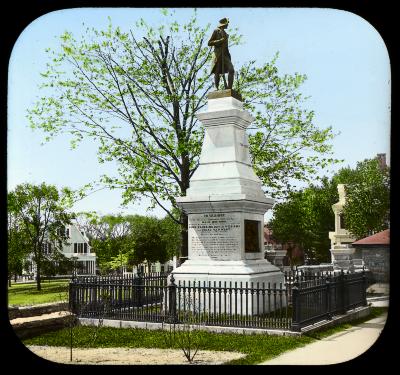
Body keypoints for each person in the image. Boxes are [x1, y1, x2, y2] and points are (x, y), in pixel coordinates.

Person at [208, 17, 235, 90]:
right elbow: (209, 42)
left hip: (225, 54)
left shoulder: (226, 34)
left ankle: (229, 88)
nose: (228, 25)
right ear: (224, 24)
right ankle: (216, 88)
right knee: (217, 71)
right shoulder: (216, 31)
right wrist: (220, 41)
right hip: (218, 54)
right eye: (227, 23)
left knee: (231, 70)